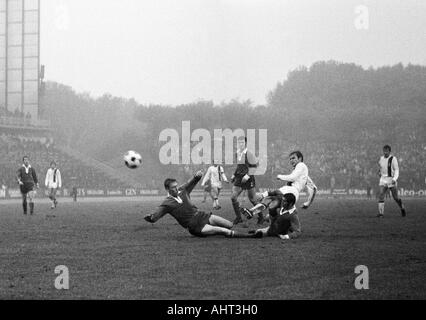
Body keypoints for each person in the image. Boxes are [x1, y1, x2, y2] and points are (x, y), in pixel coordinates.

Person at [144, 170, 261, 238]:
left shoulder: (182, 191)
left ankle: (243, 231)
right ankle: (251, 236)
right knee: (223, 231)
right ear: (167, 189)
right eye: (173, 188)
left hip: (202, 215)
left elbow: (190, 182)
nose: (176, 189)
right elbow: (155, 216)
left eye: (176, 186)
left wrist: (197, 176)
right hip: (195, 226)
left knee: (229, 225)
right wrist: (150, 218)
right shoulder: (167, 203)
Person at [230, 136, 262, 225]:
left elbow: (255, 166)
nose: (241, 144)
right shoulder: (237, 153)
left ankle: (261, 217)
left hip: (248, 178)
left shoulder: (249, 154)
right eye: (239, 143)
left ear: (245, 143)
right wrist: (234, 174)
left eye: (242, 142)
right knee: (233, 197)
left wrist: (247, 175)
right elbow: (239, 166)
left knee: (253, 199)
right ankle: (239, 218)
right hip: (239, 178)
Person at [377, 145, 406, 217]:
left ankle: (402, 208)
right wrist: (379, 172)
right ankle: (381, 214)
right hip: (383, 179)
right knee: (381, 194)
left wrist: (394, 179)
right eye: (384, 150)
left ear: (389, 151)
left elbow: (396, 170)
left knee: (395, 197)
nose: (385, 152)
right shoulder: (381, 158)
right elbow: (380, 167)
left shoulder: (393, 159)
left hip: (391, 179)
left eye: (386, 151)